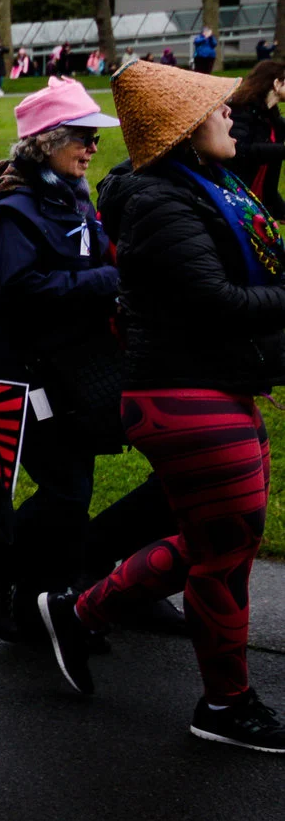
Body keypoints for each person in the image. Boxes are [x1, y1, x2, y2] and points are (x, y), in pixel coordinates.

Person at [36, 60, 285, 753]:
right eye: (218, 108)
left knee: (220, 540)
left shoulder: (211, 186)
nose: (232, 115)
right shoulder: (161, 201)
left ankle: (80, 614)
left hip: (216, 383)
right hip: (184, 392)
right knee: (224, 552)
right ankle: (225, 704)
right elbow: (217, 303)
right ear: (184, 128)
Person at [0, 77, 176, 639]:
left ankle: (60, 591)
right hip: (29, 379)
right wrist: (111, 278)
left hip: (74, 373)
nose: (92, 148)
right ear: (46, 142)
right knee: (65, 492)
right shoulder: (12, 212)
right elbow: (16, 290)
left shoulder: (71, 195)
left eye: (94, 138)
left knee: (72, 491)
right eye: (82, 137)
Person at [220, 58, 285, 216]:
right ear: (277, 84)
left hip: (253, 202)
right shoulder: (241, 110)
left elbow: (269, 176)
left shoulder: (273, 119)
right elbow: (240, 151)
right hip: (232, 199)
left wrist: (277, 207)